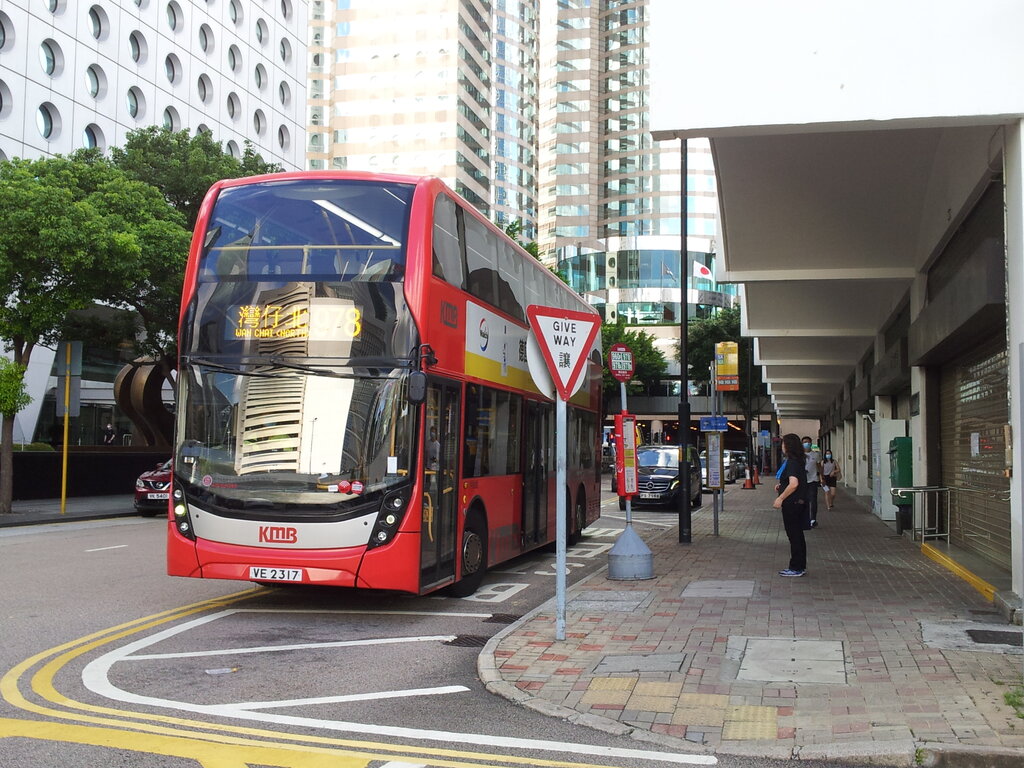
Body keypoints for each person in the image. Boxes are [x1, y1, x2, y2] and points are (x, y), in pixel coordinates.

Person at [774, 433, 809, 577]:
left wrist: (780, 498)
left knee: (793, 535)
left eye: (783, 444)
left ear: (788, 446)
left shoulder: (792, 462)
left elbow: (794, 484)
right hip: (798, 503)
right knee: (798, 535)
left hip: (792, 504)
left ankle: (795, 567)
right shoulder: (798, 461)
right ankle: (800, 565)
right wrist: (781, 486)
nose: (782, 447)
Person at [802, 436, 821, 527]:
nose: (806, 444)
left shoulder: (815, 455)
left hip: (813, 480)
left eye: (808, 442)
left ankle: (813, 519)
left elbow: (819, 467)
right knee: (803, 500)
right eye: (804, 442)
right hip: (803, 481)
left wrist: (822, 477)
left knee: (813, 500)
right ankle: (804, 519)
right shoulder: (800, 455)